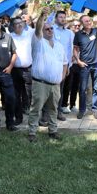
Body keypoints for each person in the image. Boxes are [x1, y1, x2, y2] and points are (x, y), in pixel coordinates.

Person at [28, 8, 67, 141]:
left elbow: (65, 63)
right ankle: (32, 132)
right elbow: (38, 28)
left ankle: (53, 131)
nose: (50, 31)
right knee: (36, 109)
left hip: (55, 84)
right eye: (47, 29)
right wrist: (42, 16)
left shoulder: (59, 46)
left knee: (53, 109)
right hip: (41, 83)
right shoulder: (38, 42)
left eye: (51, 29)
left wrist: (61, 78)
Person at [9, 15, 34, 126]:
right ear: (13, 26)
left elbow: (39, 28)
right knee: (16, 95)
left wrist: (43, 16)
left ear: (24, 24)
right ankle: (18, 117)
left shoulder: (29, 34)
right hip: (14, 70)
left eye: (21, 23)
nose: (19, 25)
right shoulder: (9, 36)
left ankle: (32, 118)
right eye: (16, 24)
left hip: (28, 69)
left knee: (30, 94)